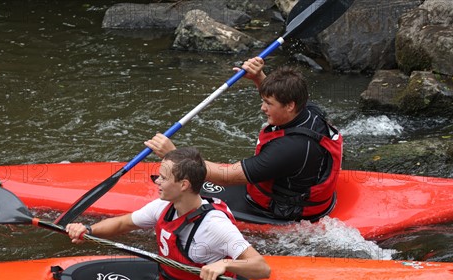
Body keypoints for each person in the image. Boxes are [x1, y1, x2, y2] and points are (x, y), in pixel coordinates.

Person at [145, 57, 343, 222]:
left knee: (186, 193)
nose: (262, 108)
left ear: (290, 105)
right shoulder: (311, 111)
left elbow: (227, 177)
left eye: (268, 103)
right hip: (305, 191)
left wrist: (174, 155)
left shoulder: (289, 149)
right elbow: (280, 101)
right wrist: (259, 78)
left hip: (283, 211)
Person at [66, 147, 270, 280]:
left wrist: (224, 264)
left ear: (184, 185)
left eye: (163, 178)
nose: (157, 182)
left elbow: (261, 268)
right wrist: (88, 230)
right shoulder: (163, 206)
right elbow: (123, 223)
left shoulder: (214, 226)